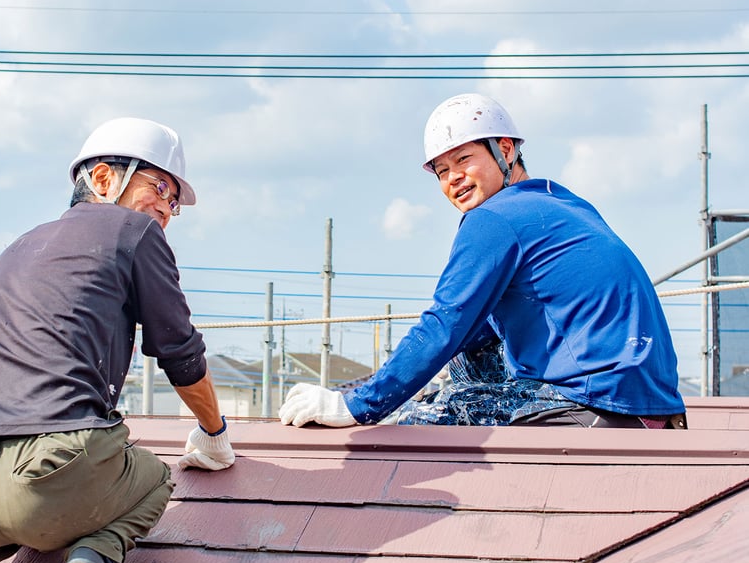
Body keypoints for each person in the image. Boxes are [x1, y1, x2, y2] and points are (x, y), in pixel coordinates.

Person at [0, 117, 236, 563]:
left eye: (174, 202)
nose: (167, 211)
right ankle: (96, 559)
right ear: (104, 178)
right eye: (160, 188)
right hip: (53, 472)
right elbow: (179, 350)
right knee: (152, 477)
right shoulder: (135, 232)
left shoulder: (18, 247)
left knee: (13, 506)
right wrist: (214, 435)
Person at [280, 93, 687, 431]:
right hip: (653, 407)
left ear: (504, 150)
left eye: (464, 160)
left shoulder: (491, 219)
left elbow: (445, 323)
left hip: (594, 404)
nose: (453, 178)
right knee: (459, 362)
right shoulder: (560, 202)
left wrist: (355, 406)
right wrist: (403, 379)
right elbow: (475, 331)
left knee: (414, 425)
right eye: (442, 171)